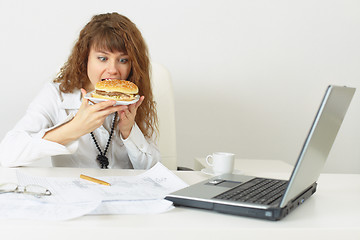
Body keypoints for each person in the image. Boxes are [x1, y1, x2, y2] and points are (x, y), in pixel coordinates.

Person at [0, 12, 160, 169]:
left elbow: (154, 171)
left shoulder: (133, 98)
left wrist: (128, 132)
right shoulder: (57, 95)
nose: (113, 70)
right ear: (85, 58)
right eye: (103, 58)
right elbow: (8, 154)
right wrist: (74, 128)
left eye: (123, 60)